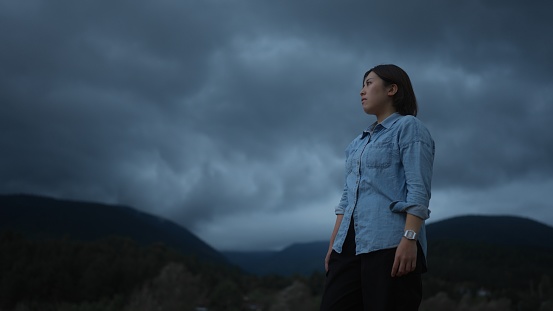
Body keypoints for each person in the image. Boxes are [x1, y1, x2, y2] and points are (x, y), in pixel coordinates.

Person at [320, 64, 435, 311]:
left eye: (369, 83)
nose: (362, 91)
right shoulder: (356, 143)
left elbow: (418, 189)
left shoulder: (409, 128)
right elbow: (346, 199)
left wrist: (409, 239)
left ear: (392, 89)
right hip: (347, 248)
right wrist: (333, 247)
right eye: (362, 85)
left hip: (390, 245)